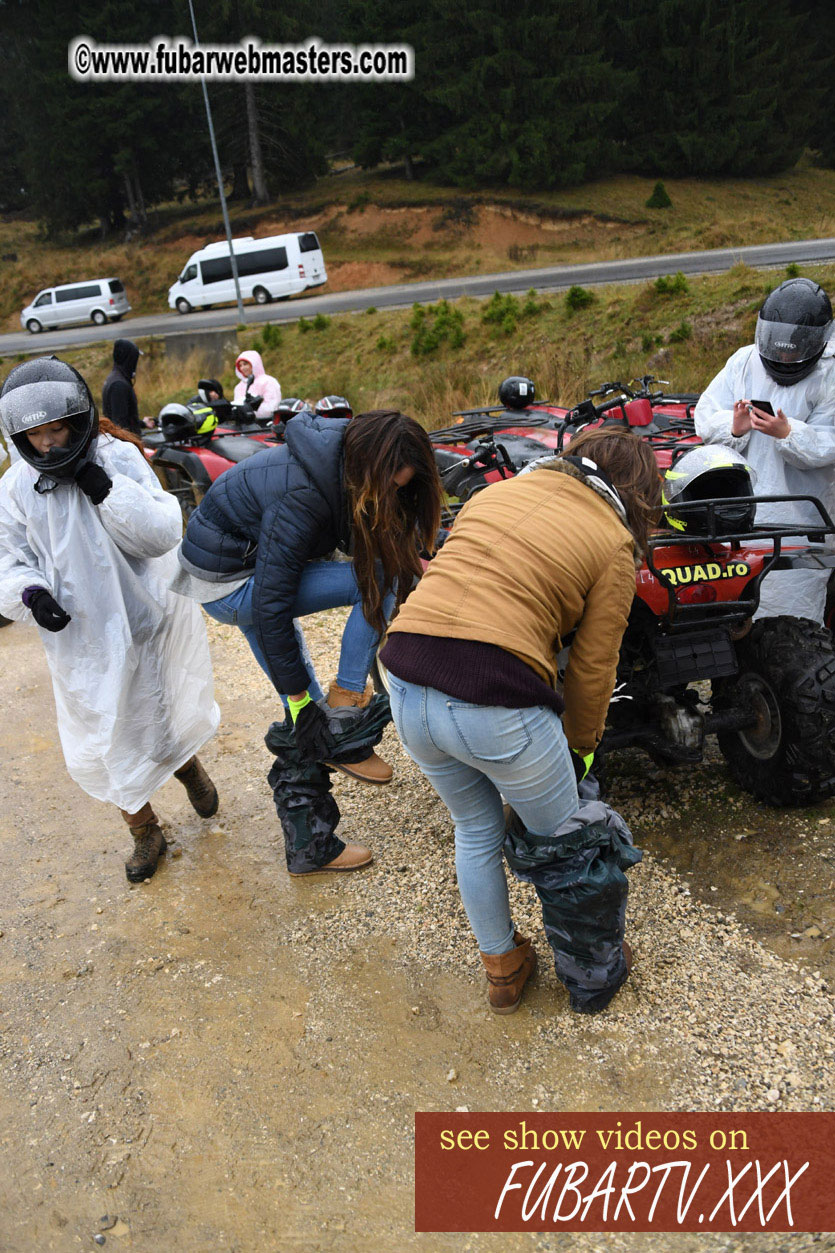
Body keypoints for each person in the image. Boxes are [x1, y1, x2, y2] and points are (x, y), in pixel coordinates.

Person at [379, 428, 661, 1014]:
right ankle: (591, 977)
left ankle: (503, 969)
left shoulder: (496, 494)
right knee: (572, 847)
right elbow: (593, 665)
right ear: (637, 492)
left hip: (406, 676)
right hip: (492, 698)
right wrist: (580, 748)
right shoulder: (613, 540)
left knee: (475, 829)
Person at [173, 409, 443, 872]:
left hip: (241, 563)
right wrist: (303, 700)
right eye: (393, 485)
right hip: (231, 583)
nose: (396, 493)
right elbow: (274, 604)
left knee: (303, 717)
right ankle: (346, 704)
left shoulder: (341, 460)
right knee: (377, 582)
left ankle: (310, 848)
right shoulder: (302, 494)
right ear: (372, 467)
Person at [0, 357, 221, 884]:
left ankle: (186, 766)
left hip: (144, 613)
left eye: (58, 430)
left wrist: (102, 487)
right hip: (80, 636)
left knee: (159, 708)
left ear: (77, 420)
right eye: (36, 436)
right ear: (19, 436)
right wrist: (30, 594)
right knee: (105, 729)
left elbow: (162, 531)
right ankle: (145, 830)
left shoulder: (117, 457)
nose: (50, 445)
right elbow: (9, 554)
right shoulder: (16, 487)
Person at [694, 277, 835, 621]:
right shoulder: (744, 362)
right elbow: (705, 414)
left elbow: (829, 442)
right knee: (736, 618)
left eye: (794, 348)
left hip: (802, 525)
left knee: (792, 623)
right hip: (740, 522)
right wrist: (732, 427)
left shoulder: (828, 374)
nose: (785, 354)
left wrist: (789, 433)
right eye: (779, 345)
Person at [102, 339, 154, 436]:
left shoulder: (115, 378)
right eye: (134, 359)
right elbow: (120, 425)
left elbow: (126, 419)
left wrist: (142, 423)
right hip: (128, 445)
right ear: (129, 359)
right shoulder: (118, 385)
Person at [233, 350, 281, 424]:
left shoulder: (268, 381)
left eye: (245, 364)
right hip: (243, 427)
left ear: (254, 363)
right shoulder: (238, 387)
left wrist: (250, 411)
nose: (242, 368)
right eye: (240, 365)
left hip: (264, 425)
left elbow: (272, 407)